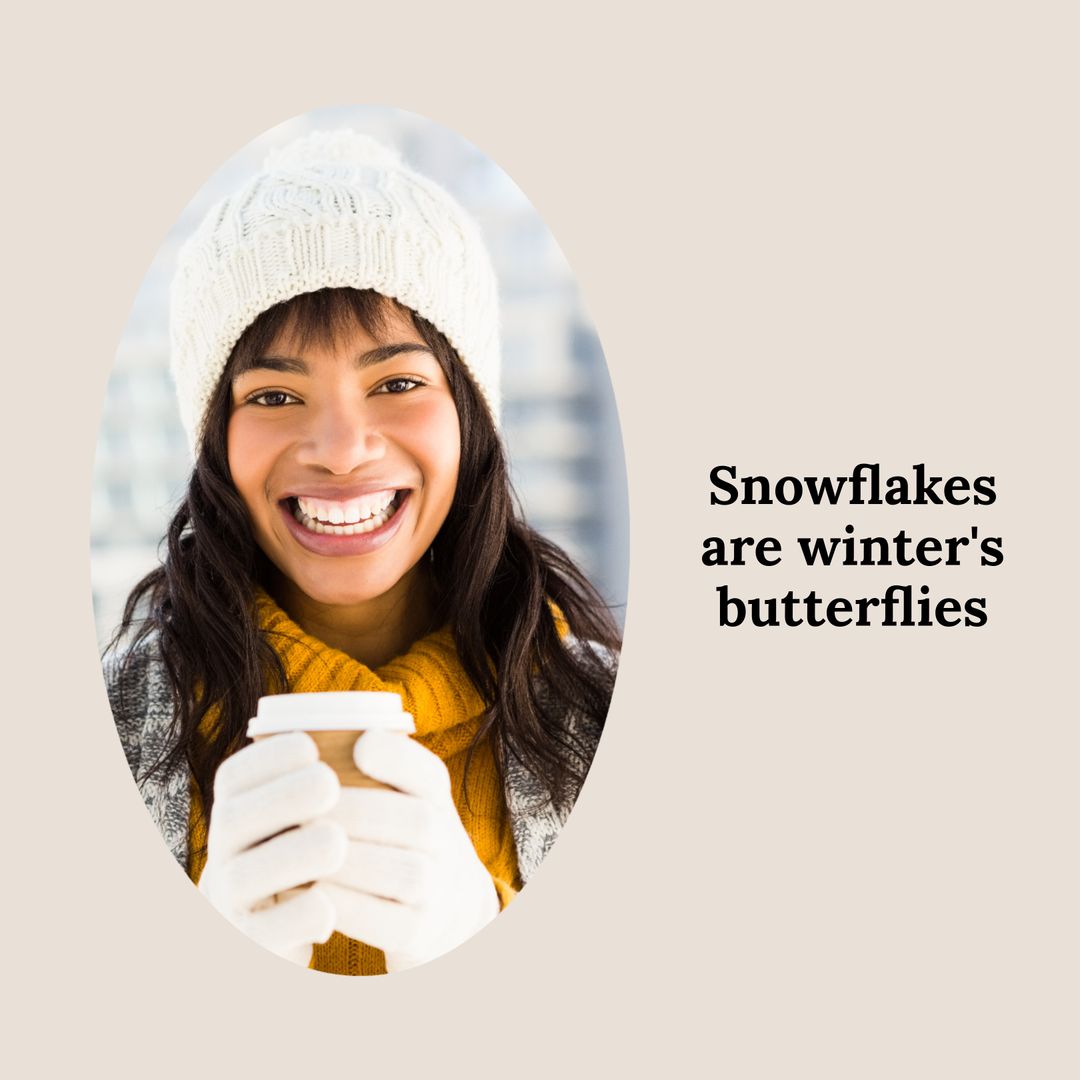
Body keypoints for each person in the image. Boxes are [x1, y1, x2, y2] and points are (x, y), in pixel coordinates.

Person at [103, 130, 621, 975]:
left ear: (470, 416)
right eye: (274, 395)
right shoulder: (112, 731)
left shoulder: (603, 719)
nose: (342, 450)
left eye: (398, 383)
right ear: (215, 443)